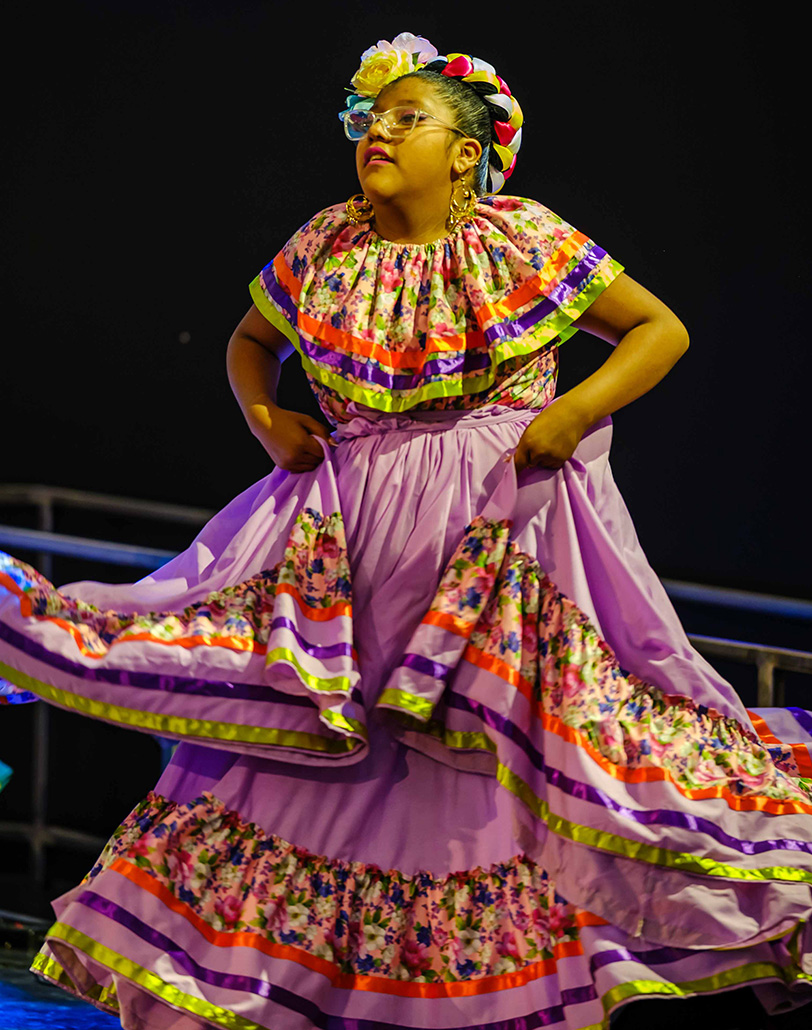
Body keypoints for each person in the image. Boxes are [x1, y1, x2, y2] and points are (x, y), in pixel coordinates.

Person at [1, 31, 811, 1030]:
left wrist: (563, 416)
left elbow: (659, 329)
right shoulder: (326, 241)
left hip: (489, 531)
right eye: (369, 120)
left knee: (464, 766)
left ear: (464, 151)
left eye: (405, 119)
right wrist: (266, 416)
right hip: (350, 532)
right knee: (320, 745)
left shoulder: (521, 240)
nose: (377, 133)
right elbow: (251, 341)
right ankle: (300, 992)